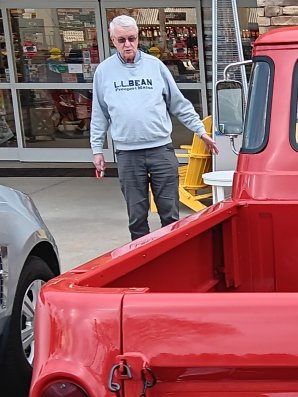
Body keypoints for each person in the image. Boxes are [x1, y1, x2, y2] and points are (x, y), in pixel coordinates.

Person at [90, 14, 218, 240]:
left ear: (138, 38)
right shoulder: (104, 72)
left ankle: (173, 260)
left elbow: (179, 103)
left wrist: (201, 131)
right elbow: (99, 114)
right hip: (128, 154)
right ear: (113, 40)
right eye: (122, 40)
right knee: (137, 218)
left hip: (161, 151)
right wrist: (97, 150)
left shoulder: (155, 66)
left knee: (170, 215)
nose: (127, 44)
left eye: (132, 38)